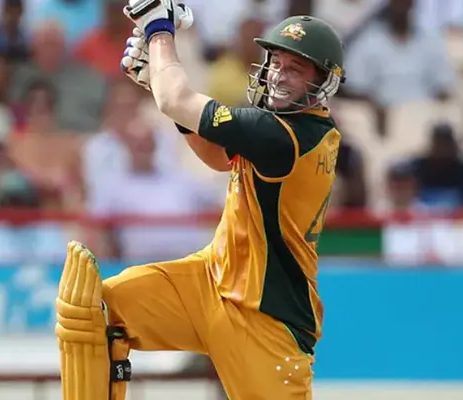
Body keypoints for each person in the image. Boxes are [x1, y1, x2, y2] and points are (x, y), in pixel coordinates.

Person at [55, 2, 345, 399]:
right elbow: (215, 156)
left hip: (267, 318)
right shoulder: (280, 130)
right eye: (276, 62)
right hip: (211, 280)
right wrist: (159, 81)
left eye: (296, 69)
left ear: (324, 81)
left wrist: (160, 28)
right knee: (95, 311)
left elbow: (175, 99)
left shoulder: (284, 137)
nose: (278, 75)